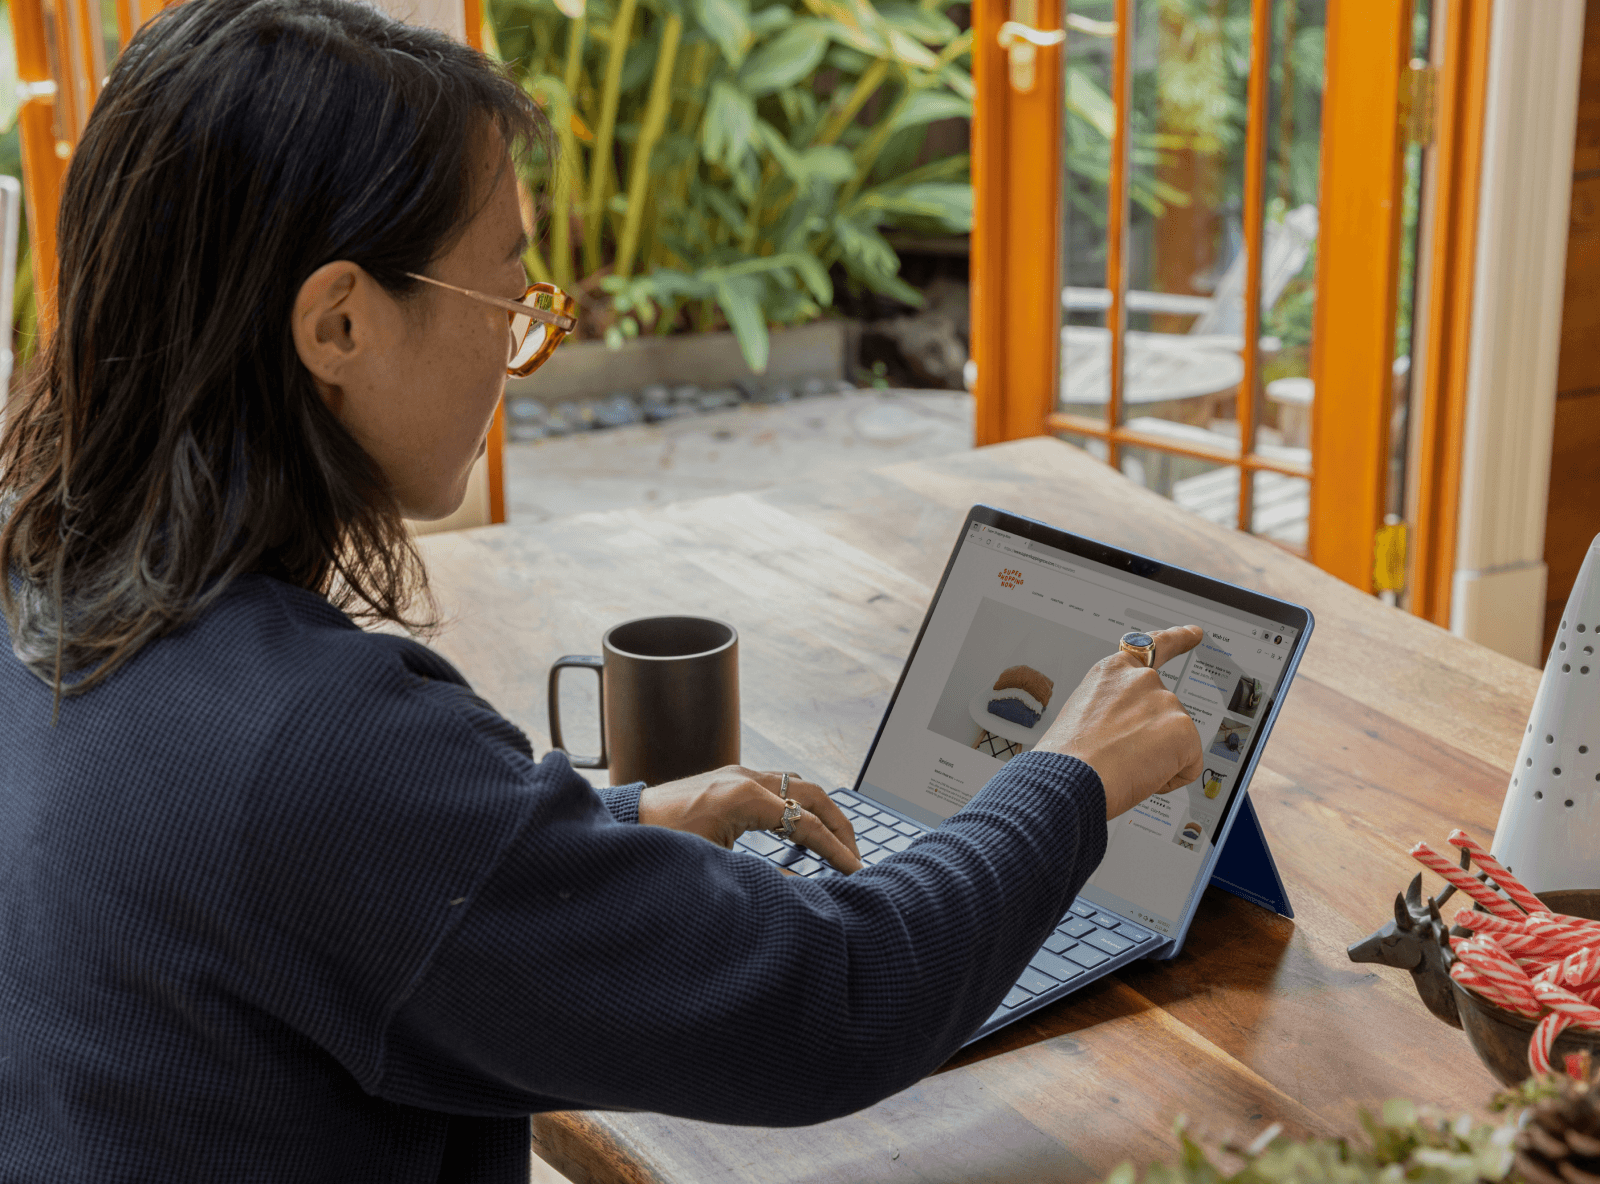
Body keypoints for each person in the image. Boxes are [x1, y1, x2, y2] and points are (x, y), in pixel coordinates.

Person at [0, 1, 1205, 1180]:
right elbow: (832, 998)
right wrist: (1072, 776)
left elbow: (318, 901)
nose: (522, 341)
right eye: (504, 295)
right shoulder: (317, 743)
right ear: (341, 321)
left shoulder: (38, 589)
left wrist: (613, 837)